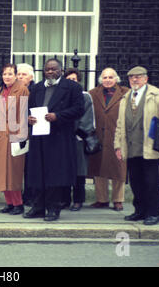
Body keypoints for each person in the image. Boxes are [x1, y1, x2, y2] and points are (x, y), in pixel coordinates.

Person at [115, 66, 159, 226]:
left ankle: (154, 213)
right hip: (131, 145)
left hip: (149, 145)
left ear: (146, 79)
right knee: (135, 181)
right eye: (132, 77)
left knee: (150, 181)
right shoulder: (125, 98)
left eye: (138, 77)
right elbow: (120, 124)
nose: (135, 79)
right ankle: (140, 211)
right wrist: (117, 146)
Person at [25, 59, 84, 221]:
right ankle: (38, 206)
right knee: (38, 172)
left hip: (59, 137)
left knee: (55, 174)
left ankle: (53, 208)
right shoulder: (36, 88)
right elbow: (27, 110)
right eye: (47, 69)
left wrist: (58, 116)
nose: (50, 72)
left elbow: (79, 109)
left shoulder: (72, 88)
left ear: (61, 70)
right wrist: (28, 119)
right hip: (39, 136)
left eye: (53, 69)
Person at [0, 64, 29, 216]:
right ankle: (9, 203)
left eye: (10, 74)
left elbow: (23, 114)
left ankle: (18, 204)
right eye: (5, 74)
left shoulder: (22, 89)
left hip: (14, 135)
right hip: (0, 137)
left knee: (14, 172)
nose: (7, 77)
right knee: (2, 172)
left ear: (16, 75)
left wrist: (22, 136)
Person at [88, 68, 129, 211]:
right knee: (99, 168)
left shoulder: (125, 93)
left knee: (118, 168)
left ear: (116, 79)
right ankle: (102, 199)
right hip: (98, 135)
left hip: (117, 135)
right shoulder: (93, 93)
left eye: (110, 77)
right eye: (105, 77)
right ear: (101, 79)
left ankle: (118, 200)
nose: (107, 80)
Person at [61, 68, 95, 211]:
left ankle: (78, 200)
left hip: (78, 139)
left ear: (78, 80)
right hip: (63, 139)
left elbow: (88, 118)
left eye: (73, 79)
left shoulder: (85, 96)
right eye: (68, 79)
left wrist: (77, 132)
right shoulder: (61, 96)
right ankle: (65, 199)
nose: (71, 82)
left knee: (79, 172)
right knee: (64, 171)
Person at [16, 63, 35, 206]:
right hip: (15, 133)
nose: (20, 77)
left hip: (32, 133)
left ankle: (29, 196)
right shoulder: (13, 90)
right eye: (19, 74)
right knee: (17, 166)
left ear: (31, 77)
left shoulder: (35, 90)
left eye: (24, 74)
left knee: (30, 166)